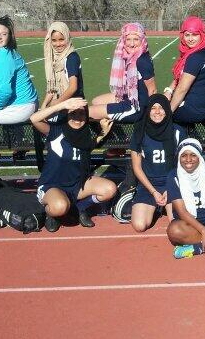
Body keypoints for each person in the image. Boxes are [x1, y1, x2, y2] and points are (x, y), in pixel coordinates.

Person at [30, 98, 117, 232]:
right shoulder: (56, 131)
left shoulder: (84, 134)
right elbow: (34, 119)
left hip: (76, 185)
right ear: (66, 114)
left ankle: (80, 208)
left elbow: (89, 146)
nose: (77, 117)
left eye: (81, 113)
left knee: (110, 189)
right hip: (52, 185)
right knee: (60, 207)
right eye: (73, 113)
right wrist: (62, 105)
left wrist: (103, 133)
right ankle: (50, 214)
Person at [129, 94, 188, 232]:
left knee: (178, 225)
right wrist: (154, 192)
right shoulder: (140, 132)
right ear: (148, 111)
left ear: (167, 110)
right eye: (153, 108)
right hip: (149, 186)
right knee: (139, 225)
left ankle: (165, 207)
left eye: (161, 108)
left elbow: (185, 165)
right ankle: (156, 208)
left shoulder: (178, 132)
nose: (157, 112)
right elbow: (137, 168)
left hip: (173, 183)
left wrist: (171, 187)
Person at [90, 23, 156, 123]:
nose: (132, 43)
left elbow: (153, 90)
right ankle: (113, 132)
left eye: (136, 39)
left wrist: (151, 116)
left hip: (136, 108)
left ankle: (105, 136)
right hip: (127, 97)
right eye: (128, 39)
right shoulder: (129, 57)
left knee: (88, 112)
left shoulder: (142, 61)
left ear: (142, 40)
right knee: (96, 101)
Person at [165, 16, 205, 124]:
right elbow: (181, 76)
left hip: (199, 108)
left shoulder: (195, 56)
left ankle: (181, 137)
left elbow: (182, 89)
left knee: (159, 113)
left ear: (201, 34)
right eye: (187, 35)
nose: (190, 39)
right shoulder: (204, 49)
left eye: (195, 34)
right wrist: (169, 90)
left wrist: (167, 113)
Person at [40, 22, 83, 116]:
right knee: (37, 118)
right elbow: (53, 87)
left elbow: (73, 87)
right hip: (61, 103)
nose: (58, 44)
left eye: (61, 39)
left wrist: (57, 103)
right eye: (54, 40)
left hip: (73, 105)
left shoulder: (71, 57)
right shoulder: (54, 58)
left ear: (67, 38)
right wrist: (44, 105)